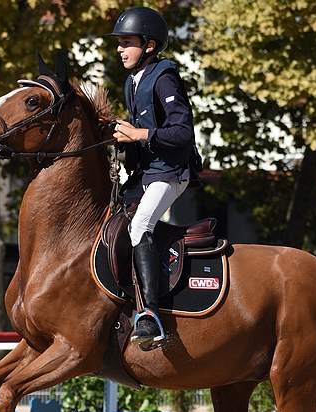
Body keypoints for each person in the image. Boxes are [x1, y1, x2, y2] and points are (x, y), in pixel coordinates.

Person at [106, 6, 201, 351]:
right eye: (119, 43)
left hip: (172, 173)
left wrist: (138, 135)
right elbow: (137, 137)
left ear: (149, 45)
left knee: (140, 226)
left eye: (126, 43)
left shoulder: (164, 76)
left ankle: (150, 314)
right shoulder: (133, 80)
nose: (120, 49)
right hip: (148, 172)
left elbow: (182, 133)